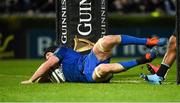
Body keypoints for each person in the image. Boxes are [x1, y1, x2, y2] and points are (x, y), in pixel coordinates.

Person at [21, 35, 167, 84]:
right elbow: (44, 77)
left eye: (48, 55)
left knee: (106, 40)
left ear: (54, 51)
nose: (47, 59)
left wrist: (30, 80)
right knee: (103, 69)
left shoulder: (62, 51)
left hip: (89, 59)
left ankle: (148, 41)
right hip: (88, 75)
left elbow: (45, 66)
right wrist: (38, 79)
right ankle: (143, 59)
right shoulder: (51, 74)